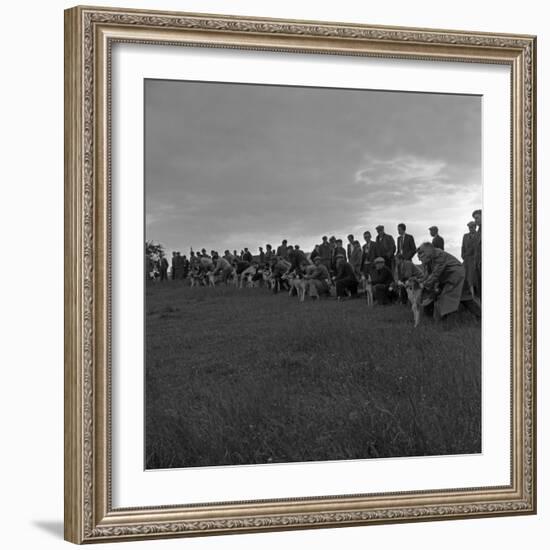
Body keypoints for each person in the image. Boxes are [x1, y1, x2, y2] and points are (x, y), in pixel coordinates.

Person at [416, 242, 465, 320]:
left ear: (426, 254)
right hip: (449, 276)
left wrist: (424, 284)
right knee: (467, 298)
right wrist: (421, 281)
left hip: (455, 275)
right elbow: (427, 273)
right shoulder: (430, 257)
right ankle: (480, 315)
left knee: (446, 297)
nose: (420, 260)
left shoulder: (439, 255)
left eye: (421, 258)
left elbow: (435, 274)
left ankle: (446, 320)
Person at [461, 221, 479, 296]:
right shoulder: (465, 236)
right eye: (469, 227)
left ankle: (474, 294)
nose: (470, 229)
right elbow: (463, 246)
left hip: (474, 259)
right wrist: (463, 255)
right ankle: (468, 293)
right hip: (466, 260)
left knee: (472, 277)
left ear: (475, 227)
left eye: (472, 227)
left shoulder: (478, 235)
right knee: (465, 276)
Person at [472, 209, 482, 299]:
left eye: (477, 218)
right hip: (478, 264)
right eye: (475, 219)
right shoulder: (478, 232)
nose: (475, 221)